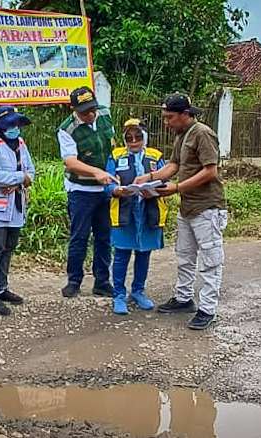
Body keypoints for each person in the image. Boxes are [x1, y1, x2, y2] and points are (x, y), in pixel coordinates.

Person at [134, 93, 227, 330]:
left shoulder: (203, 133)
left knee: (209, 261)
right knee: (184, 256)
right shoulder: (182, 135)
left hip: (207, 207)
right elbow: (174, 165)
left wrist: (176, 188)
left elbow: (210, 172)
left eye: (170, 117)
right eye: (164, 118)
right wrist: (150, 178)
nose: (166, 122)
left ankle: (208, 309)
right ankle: (184, 298)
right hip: (188, 207)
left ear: (185, 114)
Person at [57, 86, 118, 298]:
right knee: (79, 237)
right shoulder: (67, 130)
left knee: (104, 236)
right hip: (81, 190)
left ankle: (102, 281)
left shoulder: (105, 115)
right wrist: (96, 172)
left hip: (105, 189)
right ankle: (74, 281)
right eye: (84, 112)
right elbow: (71, 162)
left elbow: (113, 146)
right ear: (73, 109)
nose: (90, 115)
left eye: (92, 109)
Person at [0, 106, 35, 316]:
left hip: (15, 207)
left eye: (16, 124)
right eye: (10, 125)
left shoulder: (20, 144)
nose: (15, 128)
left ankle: (1, 288)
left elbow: (31, 171)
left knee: (8, 248)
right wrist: (20, 178)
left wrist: (20, 179)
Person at [104, 119, 167, 315]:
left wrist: (155, 188)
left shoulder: (156, 157)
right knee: (121, 254)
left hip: (149, 212)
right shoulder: (115, 156)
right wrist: (117, 190)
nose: (133, 141)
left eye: (138, 137)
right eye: (129, 137)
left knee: (143, 253)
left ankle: (138, 291)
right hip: (124, 212)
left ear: (145, 137)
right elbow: (107, 183)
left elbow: (166, 180)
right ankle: (119, 295)